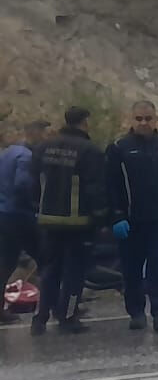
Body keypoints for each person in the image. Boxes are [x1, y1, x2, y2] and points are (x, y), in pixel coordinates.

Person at [106, 101, 158, 332]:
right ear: (131, 120)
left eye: (148, 118)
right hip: (130, 222)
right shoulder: (118, 147)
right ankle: (136, 312)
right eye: (139, 119)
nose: (144, 123)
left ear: (156, 119)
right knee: (132, 271)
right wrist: (116, 217)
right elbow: (110, 185)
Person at [30, 106, 108, 334]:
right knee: (75, 273)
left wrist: (37, 208)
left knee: (49, 270)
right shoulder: (89, 151)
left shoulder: (43, 148)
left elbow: (33, 182)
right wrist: (101, 218)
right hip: (78, 223)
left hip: (48, 220)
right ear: (84, 122)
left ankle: (40, 318)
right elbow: (95, 188)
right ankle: (68, 316)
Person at [0, 120, 49, 324]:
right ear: (34, 133)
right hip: (19, 216)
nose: (46, 138)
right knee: (47, 258)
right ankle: (51, 307)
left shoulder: (8, 152)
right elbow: (22, 185)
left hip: (3, 213)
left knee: (6, 263)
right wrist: (35, 204)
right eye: (44, 133)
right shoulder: (26, 157)